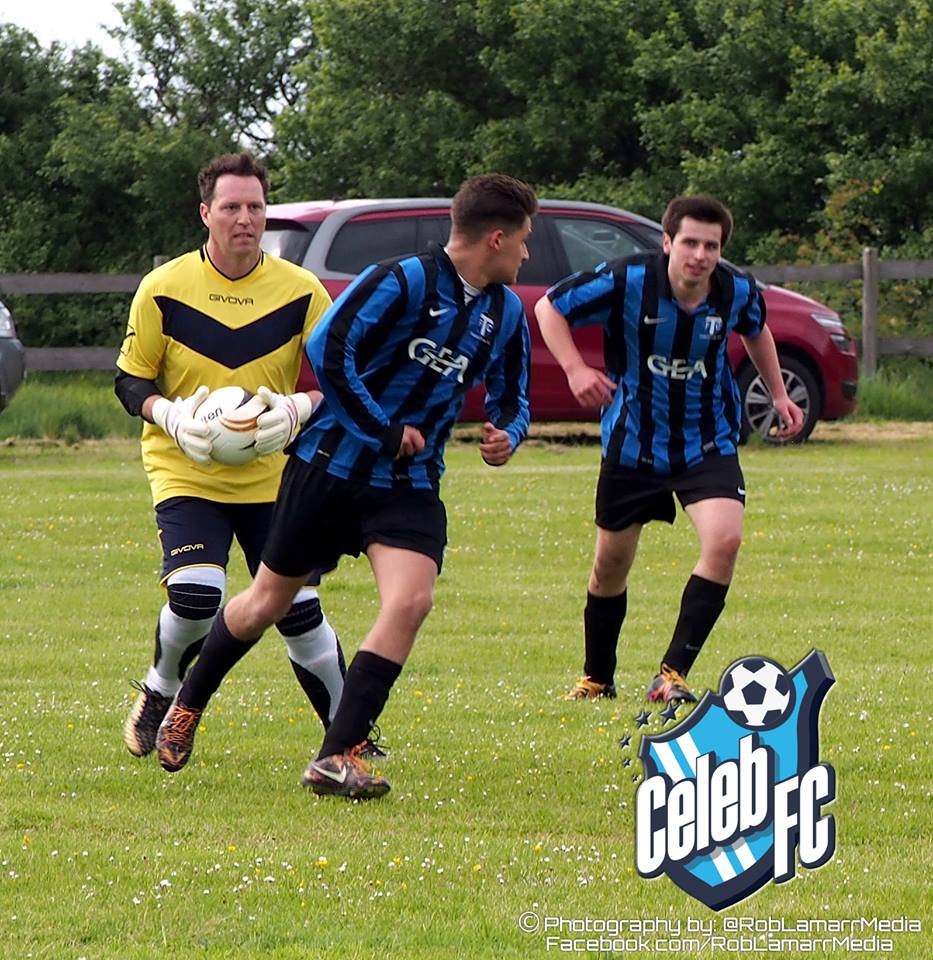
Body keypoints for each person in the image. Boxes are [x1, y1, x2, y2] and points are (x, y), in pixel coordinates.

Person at [154, 173, 537, 796]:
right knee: (266, 603)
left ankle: (337, 755)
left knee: (411, 602)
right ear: (496, 238)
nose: (527, 252)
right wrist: (383, 430)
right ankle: (188, 702)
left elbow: (514, 396)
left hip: (409, 484)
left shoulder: (506, 312)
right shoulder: (402, 280)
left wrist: (508, 434)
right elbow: (330, 350)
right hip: (328, 468)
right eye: (523, 239)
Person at [116, 151, 352, 761]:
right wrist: (170, 415)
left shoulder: (302, 290)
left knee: (298, 608)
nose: (245, 218)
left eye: (255, 206)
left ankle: (349, 738)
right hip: (186, 468)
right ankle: (161, 687)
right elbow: (131, 381)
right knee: (197, 596)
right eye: (231, 207)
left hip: (276, 476)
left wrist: (299, 408)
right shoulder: (163, 288)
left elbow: (341, 383)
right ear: (205, 213)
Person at [535, 194, 804, 705]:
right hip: (633, 443)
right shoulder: (627, 280)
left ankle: (672, 673)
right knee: (610, 565)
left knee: (725, 540)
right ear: (667, 242)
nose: (700, 256)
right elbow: (549, 306)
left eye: (712, 246)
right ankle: (598, 677)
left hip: (708, 441)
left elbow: (756, 329)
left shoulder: (736, 290)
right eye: (690, 243)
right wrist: (575, 369)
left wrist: (778, 394)